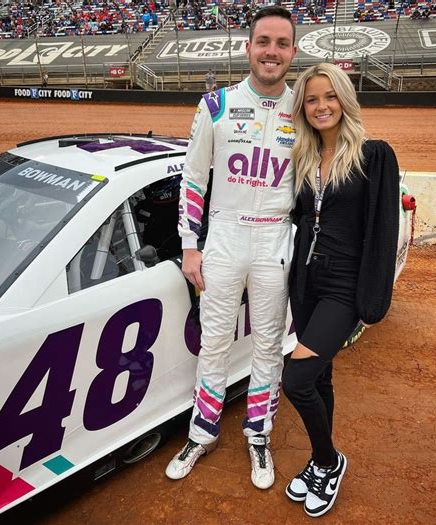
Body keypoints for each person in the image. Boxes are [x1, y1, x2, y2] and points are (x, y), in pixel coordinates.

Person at [165, 6, 297, 489]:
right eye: (264, 41)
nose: (272, 52)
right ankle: (202, 431)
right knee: (215, 340)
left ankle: (258, 434)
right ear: (248, 47)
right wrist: (189, 245)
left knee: (268, 343)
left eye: (282, 44)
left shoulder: (302, 106)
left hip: (275, 238)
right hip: (222, 235)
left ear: (293, 52)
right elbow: (194, 179)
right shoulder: (215, 104)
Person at [282, 63, 400, 517]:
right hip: (306, 282)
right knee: (322, 376)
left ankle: (330, 460)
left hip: (344, 286)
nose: (321, 106)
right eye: (311, 99)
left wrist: (372, 298)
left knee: (297, 379)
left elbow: (383, 230)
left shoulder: (374, 155)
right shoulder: (303, 157)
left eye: (329, 96)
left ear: (345, 100)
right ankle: (318, 460)